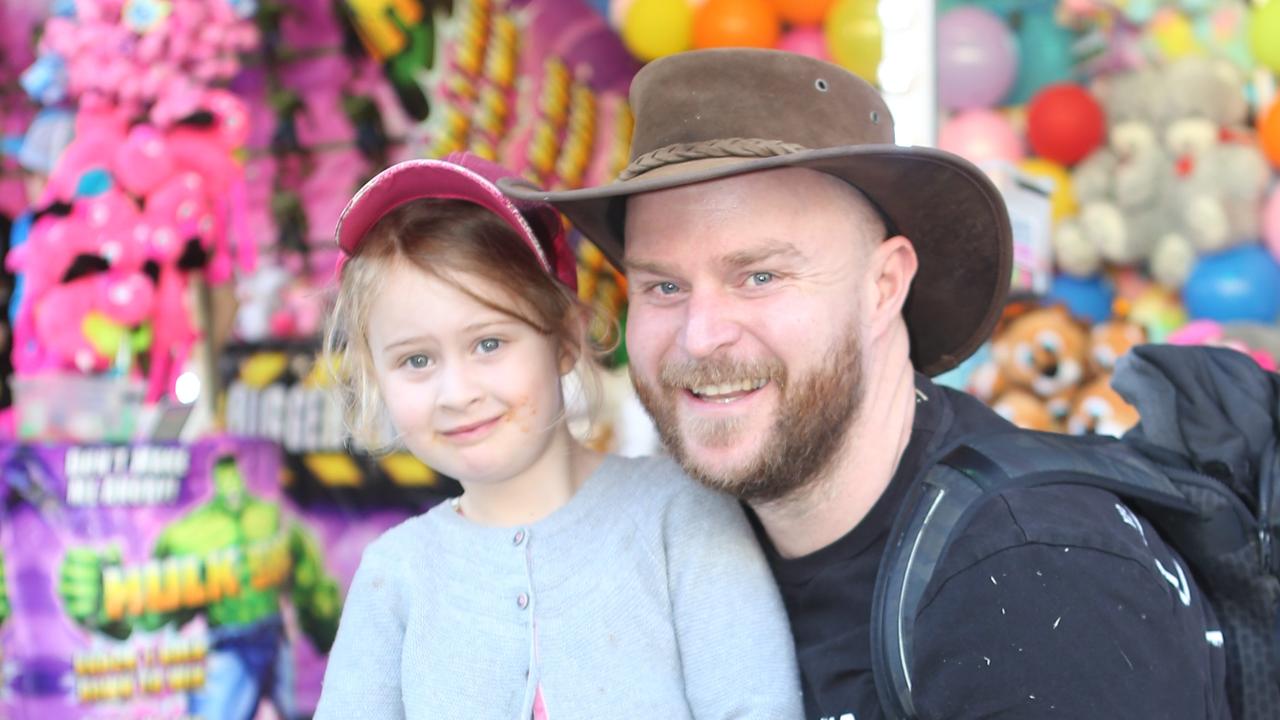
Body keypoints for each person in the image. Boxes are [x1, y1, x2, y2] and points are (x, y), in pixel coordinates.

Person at [503, 49, 1230, 719]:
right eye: (663, 286)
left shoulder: (1036, 581)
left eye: (759, 276)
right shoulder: (679, 552)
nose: (700, 335)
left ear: (884, 286)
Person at [314, 152, 802, 718]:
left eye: (489, 343)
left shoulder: (682, 515)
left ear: (565, 339)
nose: (456, 392)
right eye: (416, 359)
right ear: (375, 376)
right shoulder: (393, 577)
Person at [58, 451, 341, 719]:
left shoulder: (274, 516)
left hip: (276, 636)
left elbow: (313, 589)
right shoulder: (187, 533)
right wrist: (105, 603)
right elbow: (157, 605)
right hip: (230, 643)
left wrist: (330, 633)